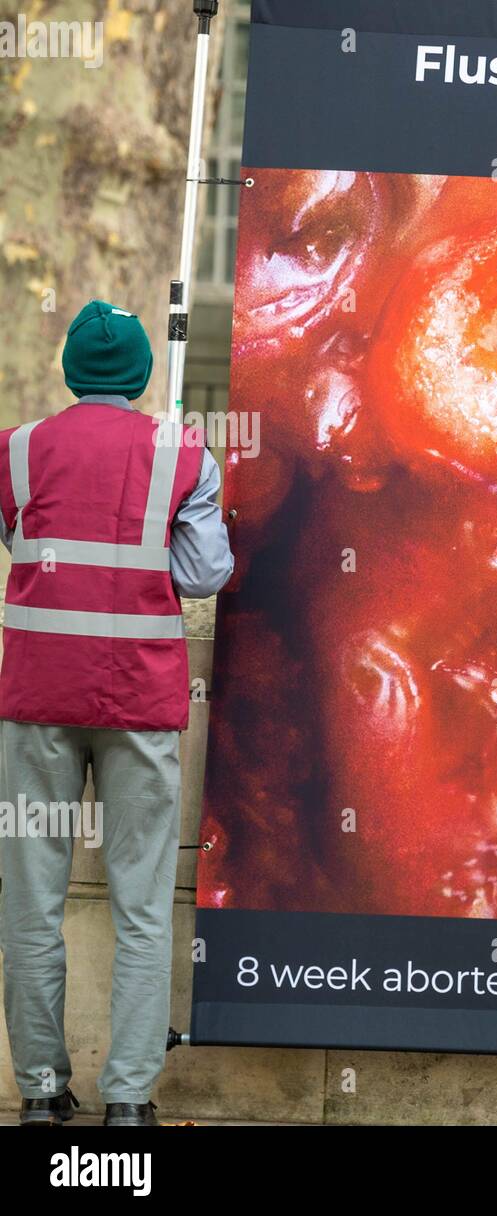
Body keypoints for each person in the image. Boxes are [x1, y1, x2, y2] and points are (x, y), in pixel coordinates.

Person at [0, 301, 233, 1127]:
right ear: (139, 376)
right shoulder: (183, 454)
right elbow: (205, 575)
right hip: (138, 700)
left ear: (70, 370)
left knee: (32, 901)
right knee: (140, 905)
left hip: (35, 704)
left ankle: (37, 1092)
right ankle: (129, 1100)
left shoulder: (19, 450)